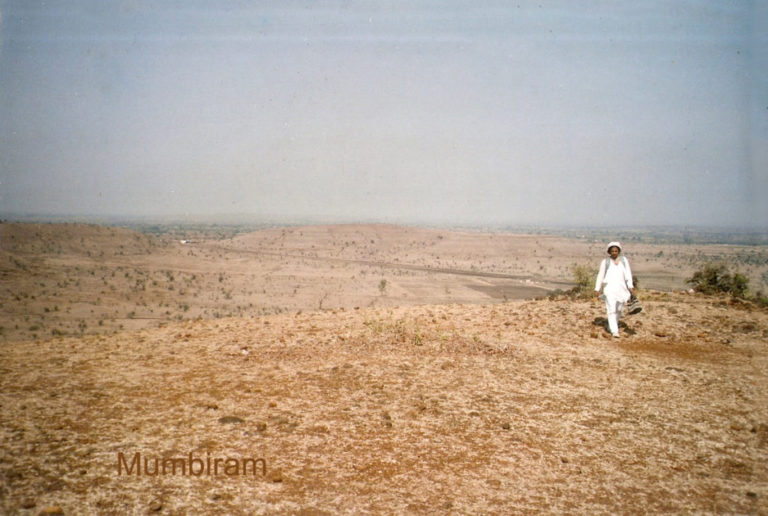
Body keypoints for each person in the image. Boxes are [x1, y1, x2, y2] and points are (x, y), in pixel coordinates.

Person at [594, 241, 635, 338]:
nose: (614, 253)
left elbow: (628, 274)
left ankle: (611, 326)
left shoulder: (624, 261)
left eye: (616, 251)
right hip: (610, 289)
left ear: (619, 251)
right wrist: (597, 288)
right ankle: (614, 331)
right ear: (609, 252)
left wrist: (630, 285)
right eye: (612, 251)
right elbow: (600, 275)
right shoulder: (605, 262)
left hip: (621, 289)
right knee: (611, 309)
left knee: (619, 310)